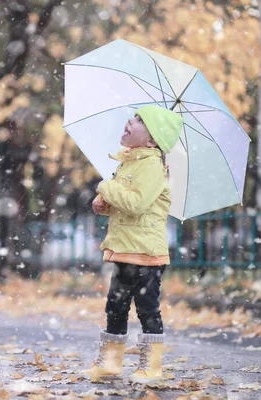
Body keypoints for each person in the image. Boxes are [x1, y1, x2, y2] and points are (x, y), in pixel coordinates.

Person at [83, 105, 182, 383]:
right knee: (115, 306)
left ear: (152, 141)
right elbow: (124, 202)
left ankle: (151, 367)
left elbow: (136, 204)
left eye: (140, 120)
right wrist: (104, 204)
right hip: (125, 249)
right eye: (134, 116)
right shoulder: (128, 162)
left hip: (146, 252)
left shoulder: (151, 166)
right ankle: (111, 364)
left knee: (147, 308)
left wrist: (105, 187)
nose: (130, 120)